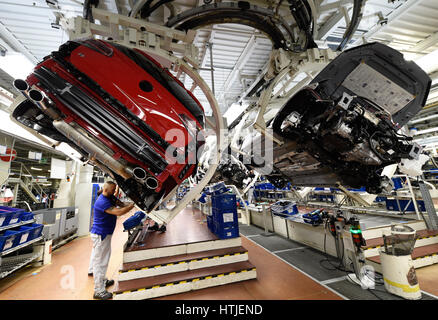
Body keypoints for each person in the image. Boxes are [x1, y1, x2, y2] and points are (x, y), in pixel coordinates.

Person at [88, 181, 134, 300]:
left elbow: (121, 204)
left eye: (115, 190)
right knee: (100, 263)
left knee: (104, 259)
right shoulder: (102, 202)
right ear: (106, 190)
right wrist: (132, 206)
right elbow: (118, 211)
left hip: (105, 234)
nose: (114, 192)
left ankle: (102, 280)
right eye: (113, 190)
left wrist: (131, 203)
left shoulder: (109, 197)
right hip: (100, 235)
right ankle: (98, 291)